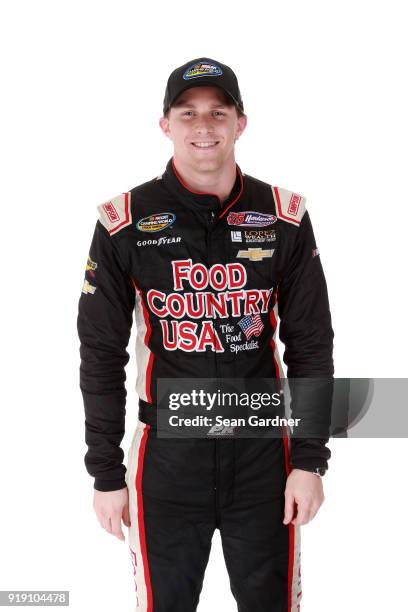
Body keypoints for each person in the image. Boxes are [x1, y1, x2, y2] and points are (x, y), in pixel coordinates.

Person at [77, 57, 334, 611]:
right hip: (167, 464)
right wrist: (105, 472)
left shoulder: (283, 217)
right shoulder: (124, 221)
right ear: (165, 123)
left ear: (241, 123)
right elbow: (100, 354)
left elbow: (312, 343)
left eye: (219, 111)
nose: (204, 125)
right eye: (187, 112)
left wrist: (309, 461)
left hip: (264, 459)